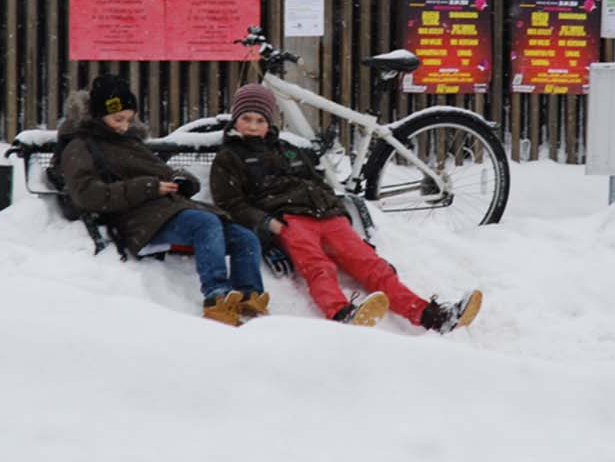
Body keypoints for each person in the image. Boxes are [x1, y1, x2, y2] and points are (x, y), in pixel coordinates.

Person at [210, 83, 482, 332]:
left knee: (372, 265)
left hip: (329, 216)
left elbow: (318, 183)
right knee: (319, 267)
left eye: (260, 120)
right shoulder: (229, 158)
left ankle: (432, 316)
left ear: (269, 122)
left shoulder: (288, 150)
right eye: (246, 119)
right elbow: (230, 203)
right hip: (290, 220)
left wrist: (338, 212)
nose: (253, 126)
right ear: (235, 120)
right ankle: (341, 314)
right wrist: (269, 223)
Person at [58, 73, 268, 327]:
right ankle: (217, 299)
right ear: (99, 115)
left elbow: (164, 173)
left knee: (245, 238)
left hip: (168, 210)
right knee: (205, 224)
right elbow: (87, 195)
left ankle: (249, 297)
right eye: (118, 119)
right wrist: (147, 187)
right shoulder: (81, 147)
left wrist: (182, 181)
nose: (125, 126)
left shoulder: (129, 142)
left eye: (129, 119)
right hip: (138, 219)